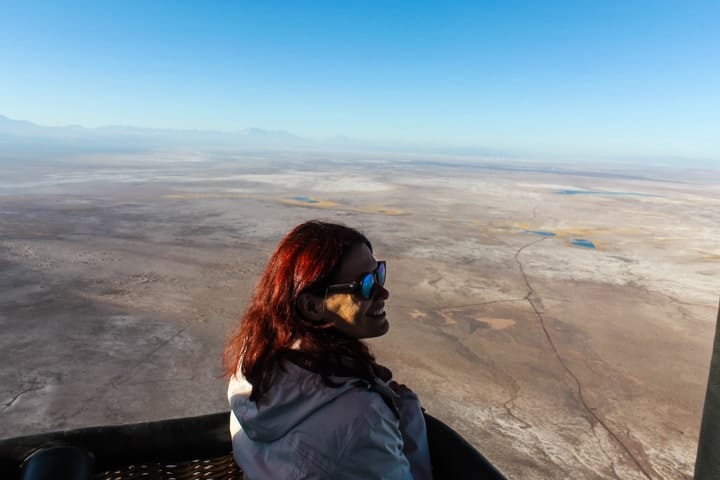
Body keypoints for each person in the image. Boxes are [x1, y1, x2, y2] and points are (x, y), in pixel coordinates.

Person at [223, 220, 433, 479]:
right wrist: (410, 418)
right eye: (365, 285)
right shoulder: (362, 417)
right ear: (312, 306)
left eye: (378, 273)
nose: (383, 292)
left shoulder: (254, 358)